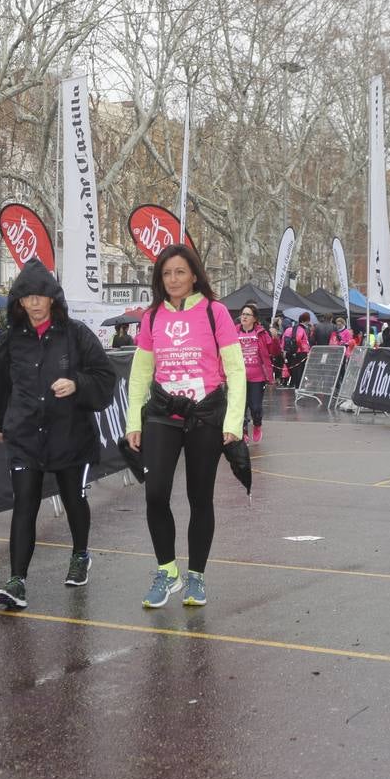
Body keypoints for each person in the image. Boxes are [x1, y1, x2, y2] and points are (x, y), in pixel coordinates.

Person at [0, 260, 117, 610]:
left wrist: (77, 383)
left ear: (52, 299)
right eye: (26, 297)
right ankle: (17, 581)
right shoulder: (11, 340)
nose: (33, 303)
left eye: (40, 296)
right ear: (18, 301)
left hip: (70, 434)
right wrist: (1, 423)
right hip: (26, 435)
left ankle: (80, 554)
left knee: (73, 499)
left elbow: (106, 378)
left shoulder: (75, 334)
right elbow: (1, 383)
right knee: (25, 504)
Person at [125, 244, 245, 609]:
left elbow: (236, 370)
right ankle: (168, 572)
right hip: (162, 414)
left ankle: (196, 577)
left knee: (199, 497)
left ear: (194, 274)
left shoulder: (215, 312)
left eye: (180, 272)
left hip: (205, 416)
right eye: (166, 273)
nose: (173, 279)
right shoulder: (151, 318)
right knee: (155, 493)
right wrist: (134, 421)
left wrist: (233, 421)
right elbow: (140, 374)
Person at [237, 303, 277, 444]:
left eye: (248, 314)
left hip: (257, 377)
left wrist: (275, 338)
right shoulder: (234, 331)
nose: (244, 317)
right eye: (243, 314)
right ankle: (243, 431)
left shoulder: (261, 333)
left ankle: (257, 424)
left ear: (254, 318)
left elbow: (274, 351)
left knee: (255, 407)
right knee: (240, 407)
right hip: (238, 377)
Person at [282, 313, 313, 386]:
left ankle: (295, 384)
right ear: (305, 320)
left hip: (293, 351)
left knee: (295, 368)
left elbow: (285, 340)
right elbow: (298, 339)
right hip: (300, 352)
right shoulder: (301, 329)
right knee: (299, 369)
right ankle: (298, 385)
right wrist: (302, 348)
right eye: (308, 320)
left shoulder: (293, 328)